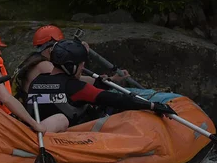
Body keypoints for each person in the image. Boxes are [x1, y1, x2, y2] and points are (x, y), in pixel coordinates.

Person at [26, 39, 176, 133]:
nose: (81, 69)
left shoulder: (37, 81)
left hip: (40, 129)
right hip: (64, 137)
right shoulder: (76, 88)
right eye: (81, 66)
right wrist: (152, 106)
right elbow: (114, 99)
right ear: (71, 67)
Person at [13, 25, 131, 104]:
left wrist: (107, 80)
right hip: (40, 111)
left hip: (37, 106)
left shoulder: (33, 60)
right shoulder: (43, 65)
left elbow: (74, 79)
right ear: (51, 49)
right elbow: (71, 82)